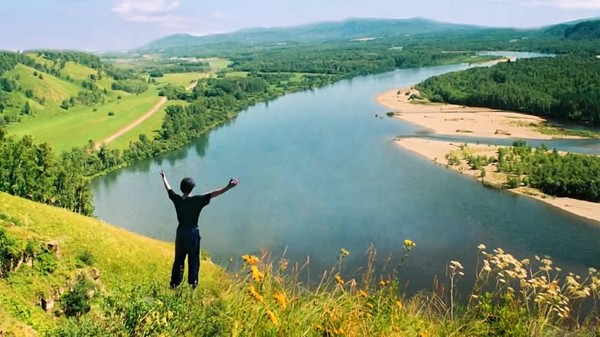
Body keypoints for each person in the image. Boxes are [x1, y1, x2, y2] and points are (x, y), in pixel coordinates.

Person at [160, 170, 239, 288]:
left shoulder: (177, 199)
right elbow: (213, 194)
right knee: (194, 259)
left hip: (181, 232)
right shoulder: (197, 201)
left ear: (181, 188)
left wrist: (163, 177)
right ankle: (193, 283)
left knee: (179, 259)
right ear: (192, 189)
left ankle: (175, 283)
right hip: (192, 233)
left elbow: (169, 190)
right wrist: (228, 187)